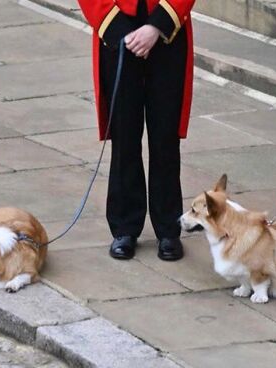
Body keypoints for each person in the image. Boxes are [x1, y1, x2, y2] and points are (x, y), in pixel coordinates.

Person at [77, 0, 195, 261]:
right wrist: (118, 29)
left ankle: (168, 228)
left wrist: (157, 26)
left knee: (165, 136)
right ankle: (124, 227)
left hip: (167, 34)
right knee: (124, 135)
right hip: (118, 28)